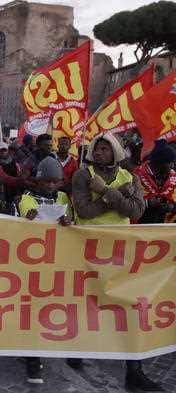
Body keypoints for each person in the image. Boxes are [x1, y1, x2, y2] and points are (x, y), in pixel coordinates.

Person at [70, 132, 159, 391]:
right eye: (96, 149)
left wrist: (106, 192)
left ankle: (134, 371)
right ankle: (75, 349)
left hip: (120, 250)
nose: (99, 153)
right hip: (88, 247)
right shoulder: (82, 175)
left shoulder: (129, 177)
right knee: (87, 302)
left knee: (129, 306)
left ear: (116, 153)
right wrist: (119, 196)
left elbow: (137, 211)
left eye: (105, 149)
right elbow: (84, 211)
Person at [133, 140, 176, 224]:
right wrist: (147, 203)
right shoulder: (136, 176)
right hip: (142, 227)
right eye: (170, 162)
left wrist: (172, 207)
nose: (173, 165)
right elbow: (129, 203)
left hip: (168, 229)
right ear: (159, 163)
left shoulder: (173, 176)